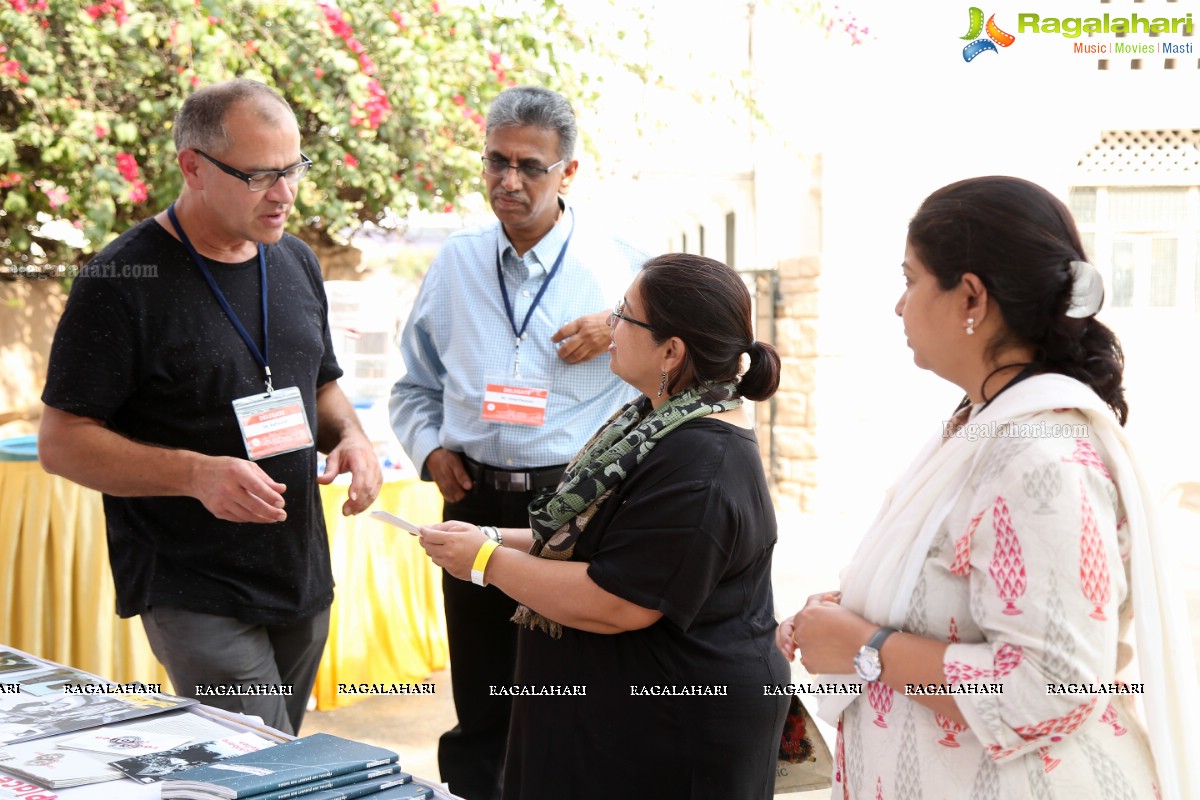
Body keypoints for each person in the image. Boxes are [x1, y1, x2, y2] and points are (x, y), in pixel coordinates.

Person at [778, 176, 1198, 800]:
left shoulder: (1039, 457)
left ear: (970, 297)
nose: (899, 305)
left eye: (910, 278)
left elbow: (1053, 686)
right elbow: (971, 591)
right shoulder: (980, 425)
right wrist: (856, 607)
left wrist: (867, 647)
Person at [38, 79, 381, 735]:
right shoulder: (119, 281)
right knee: (259, 759)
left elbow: (322, 384)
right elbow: (63, 442)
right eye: (259, 176)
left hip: (299, 571)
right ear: (192, 166)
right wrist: (197, 474)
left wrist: (354, 437)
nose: (284, 195)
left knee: (271, 757)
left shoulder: (294, 261)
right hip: (190, 583)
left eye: (292, 170)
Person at [417, 253, 791, 800]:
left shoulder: (701, 462)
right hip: (613, 717)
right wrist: (490, 537)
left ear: (671, 350)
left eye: (625, 315)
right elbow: (597, 542)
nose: (609, 326)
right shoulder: (654, 421)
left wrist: (486, 561)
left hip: (668, 732)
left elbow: (618, 600)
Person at [389, 85, 646, 799]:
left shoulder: (624, 270)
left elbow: (692, 362)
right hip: (472, 498)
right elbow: (413, 388)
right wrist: (430, 450)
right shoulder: (455, 265)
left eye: (530, 166)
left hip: (578, 505)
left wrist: (620, 326)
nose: (508, 181)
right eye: (495, 162)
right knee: (483, 704)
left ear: (568, 173)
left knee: (573, 697)